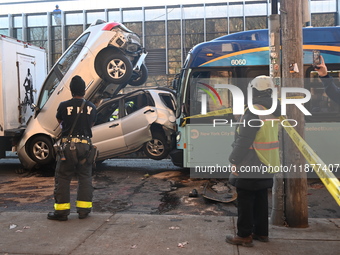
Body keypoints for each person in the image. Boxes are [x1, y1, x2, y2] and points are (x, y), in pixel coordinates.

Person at [225, 76, 281, 247]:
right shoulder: (274, 109)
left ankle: (244, 235)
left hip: (251, 161)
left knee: (245, 198)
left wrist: (234, 159)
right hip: (267, 160)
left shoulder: (254, 110)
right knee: (260, 197)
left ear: (253, 91)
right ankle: (261, 233)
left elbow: (245, 139)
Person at [48, 75, 97, 221]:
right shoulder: (91, 107)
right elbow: (91, 124)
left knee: (63, 178)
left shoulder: (63, 106)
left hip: (68, 147)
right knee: (85, 177)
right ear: (84, 90)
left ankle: (61, 213)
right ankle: (84, 210)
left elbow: (60, 122)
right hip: (85, 147)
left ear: (71, 90)